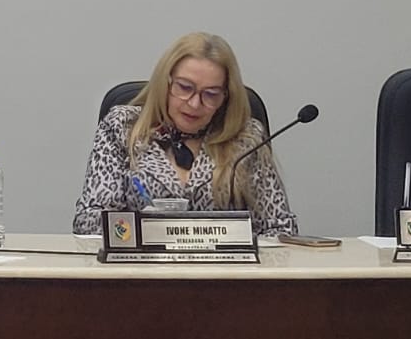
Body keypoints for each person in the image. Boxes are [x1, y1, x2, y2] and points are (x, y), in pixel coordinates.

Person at [72, 31, 298, 235]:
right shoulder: (123, 127)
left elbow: (280, 228)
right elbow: (89, 222)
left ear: (225, 97)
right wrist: (157, 231)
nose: (194, 103)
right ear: (166, 82)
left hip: (225, 276)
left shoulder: (246, 138)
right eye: (185, 87)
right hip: (140, 274)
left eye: (210, 94)